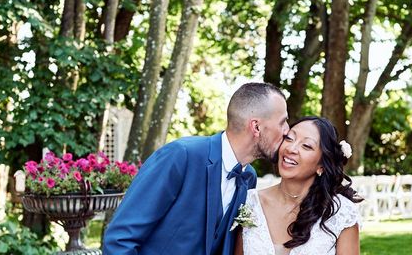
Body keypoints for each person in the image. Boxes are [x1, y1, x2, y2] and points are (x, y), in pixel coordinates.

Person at [103, 82, 289, 255]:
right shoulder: (181, 155)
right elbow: (119, 239)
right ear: (256, 126)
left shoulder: (248, 177)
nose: (287, 131)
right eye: (282, 122)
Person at [235, 116, 361, 255]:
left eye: (306, 146)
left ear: (322, 166)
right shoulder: (249, 203)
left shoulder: (341, 213)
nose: (291, 148)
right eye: (289, 138)